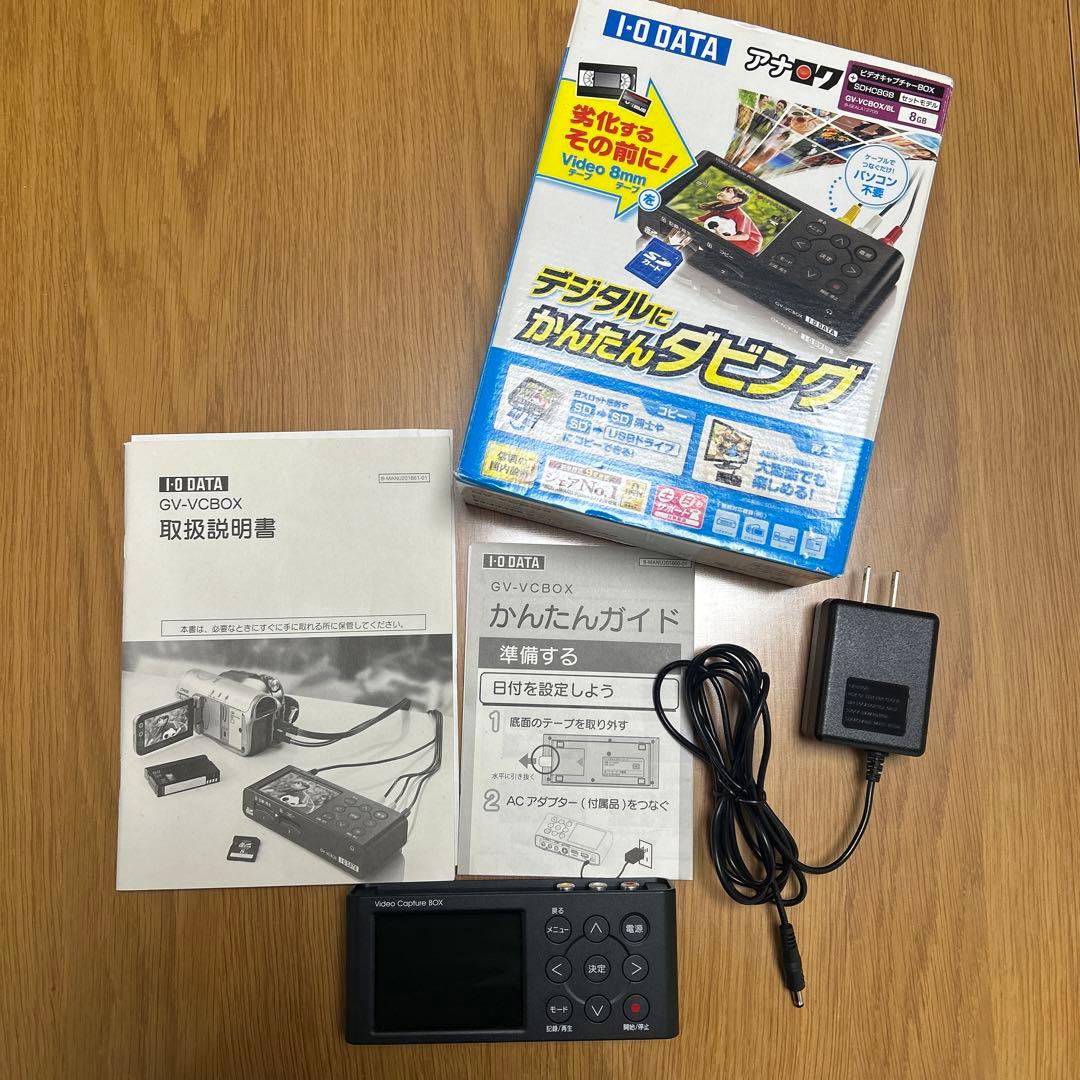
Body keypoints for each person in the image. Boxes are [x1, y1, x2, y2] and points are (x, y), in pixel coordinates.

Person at [694, 185, 762, 254]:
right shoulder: (720, 208)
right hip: (729, 238)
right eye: (723, 190)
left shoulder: (740, 215)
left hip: (749, 244)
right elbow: (698, 219)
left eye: (728, 191)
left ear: (737, 200)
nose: (722, 192)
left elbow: (745, 236)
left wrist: (725, 238)